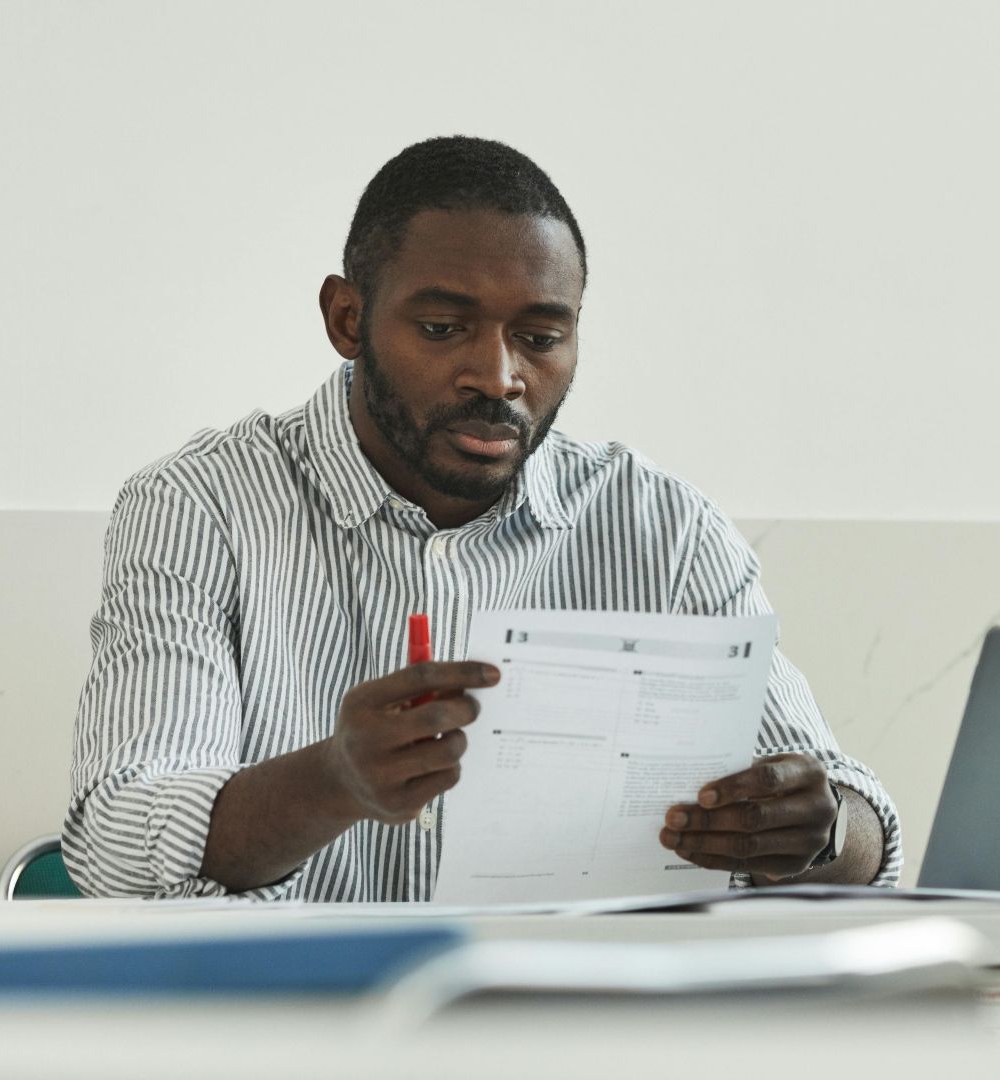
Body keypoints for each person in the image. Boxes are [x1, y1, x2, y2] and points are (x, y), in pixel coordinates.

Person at [63, 136, 899, 900]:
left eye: (540, 337)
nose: (497, 376)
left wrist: (818, 829)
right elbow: (116, 841)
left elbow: (854, 830)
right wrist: (336, 780)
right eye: (442, 327)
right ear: (347, 319)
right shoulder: (201, 506)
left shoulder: (667, 530)